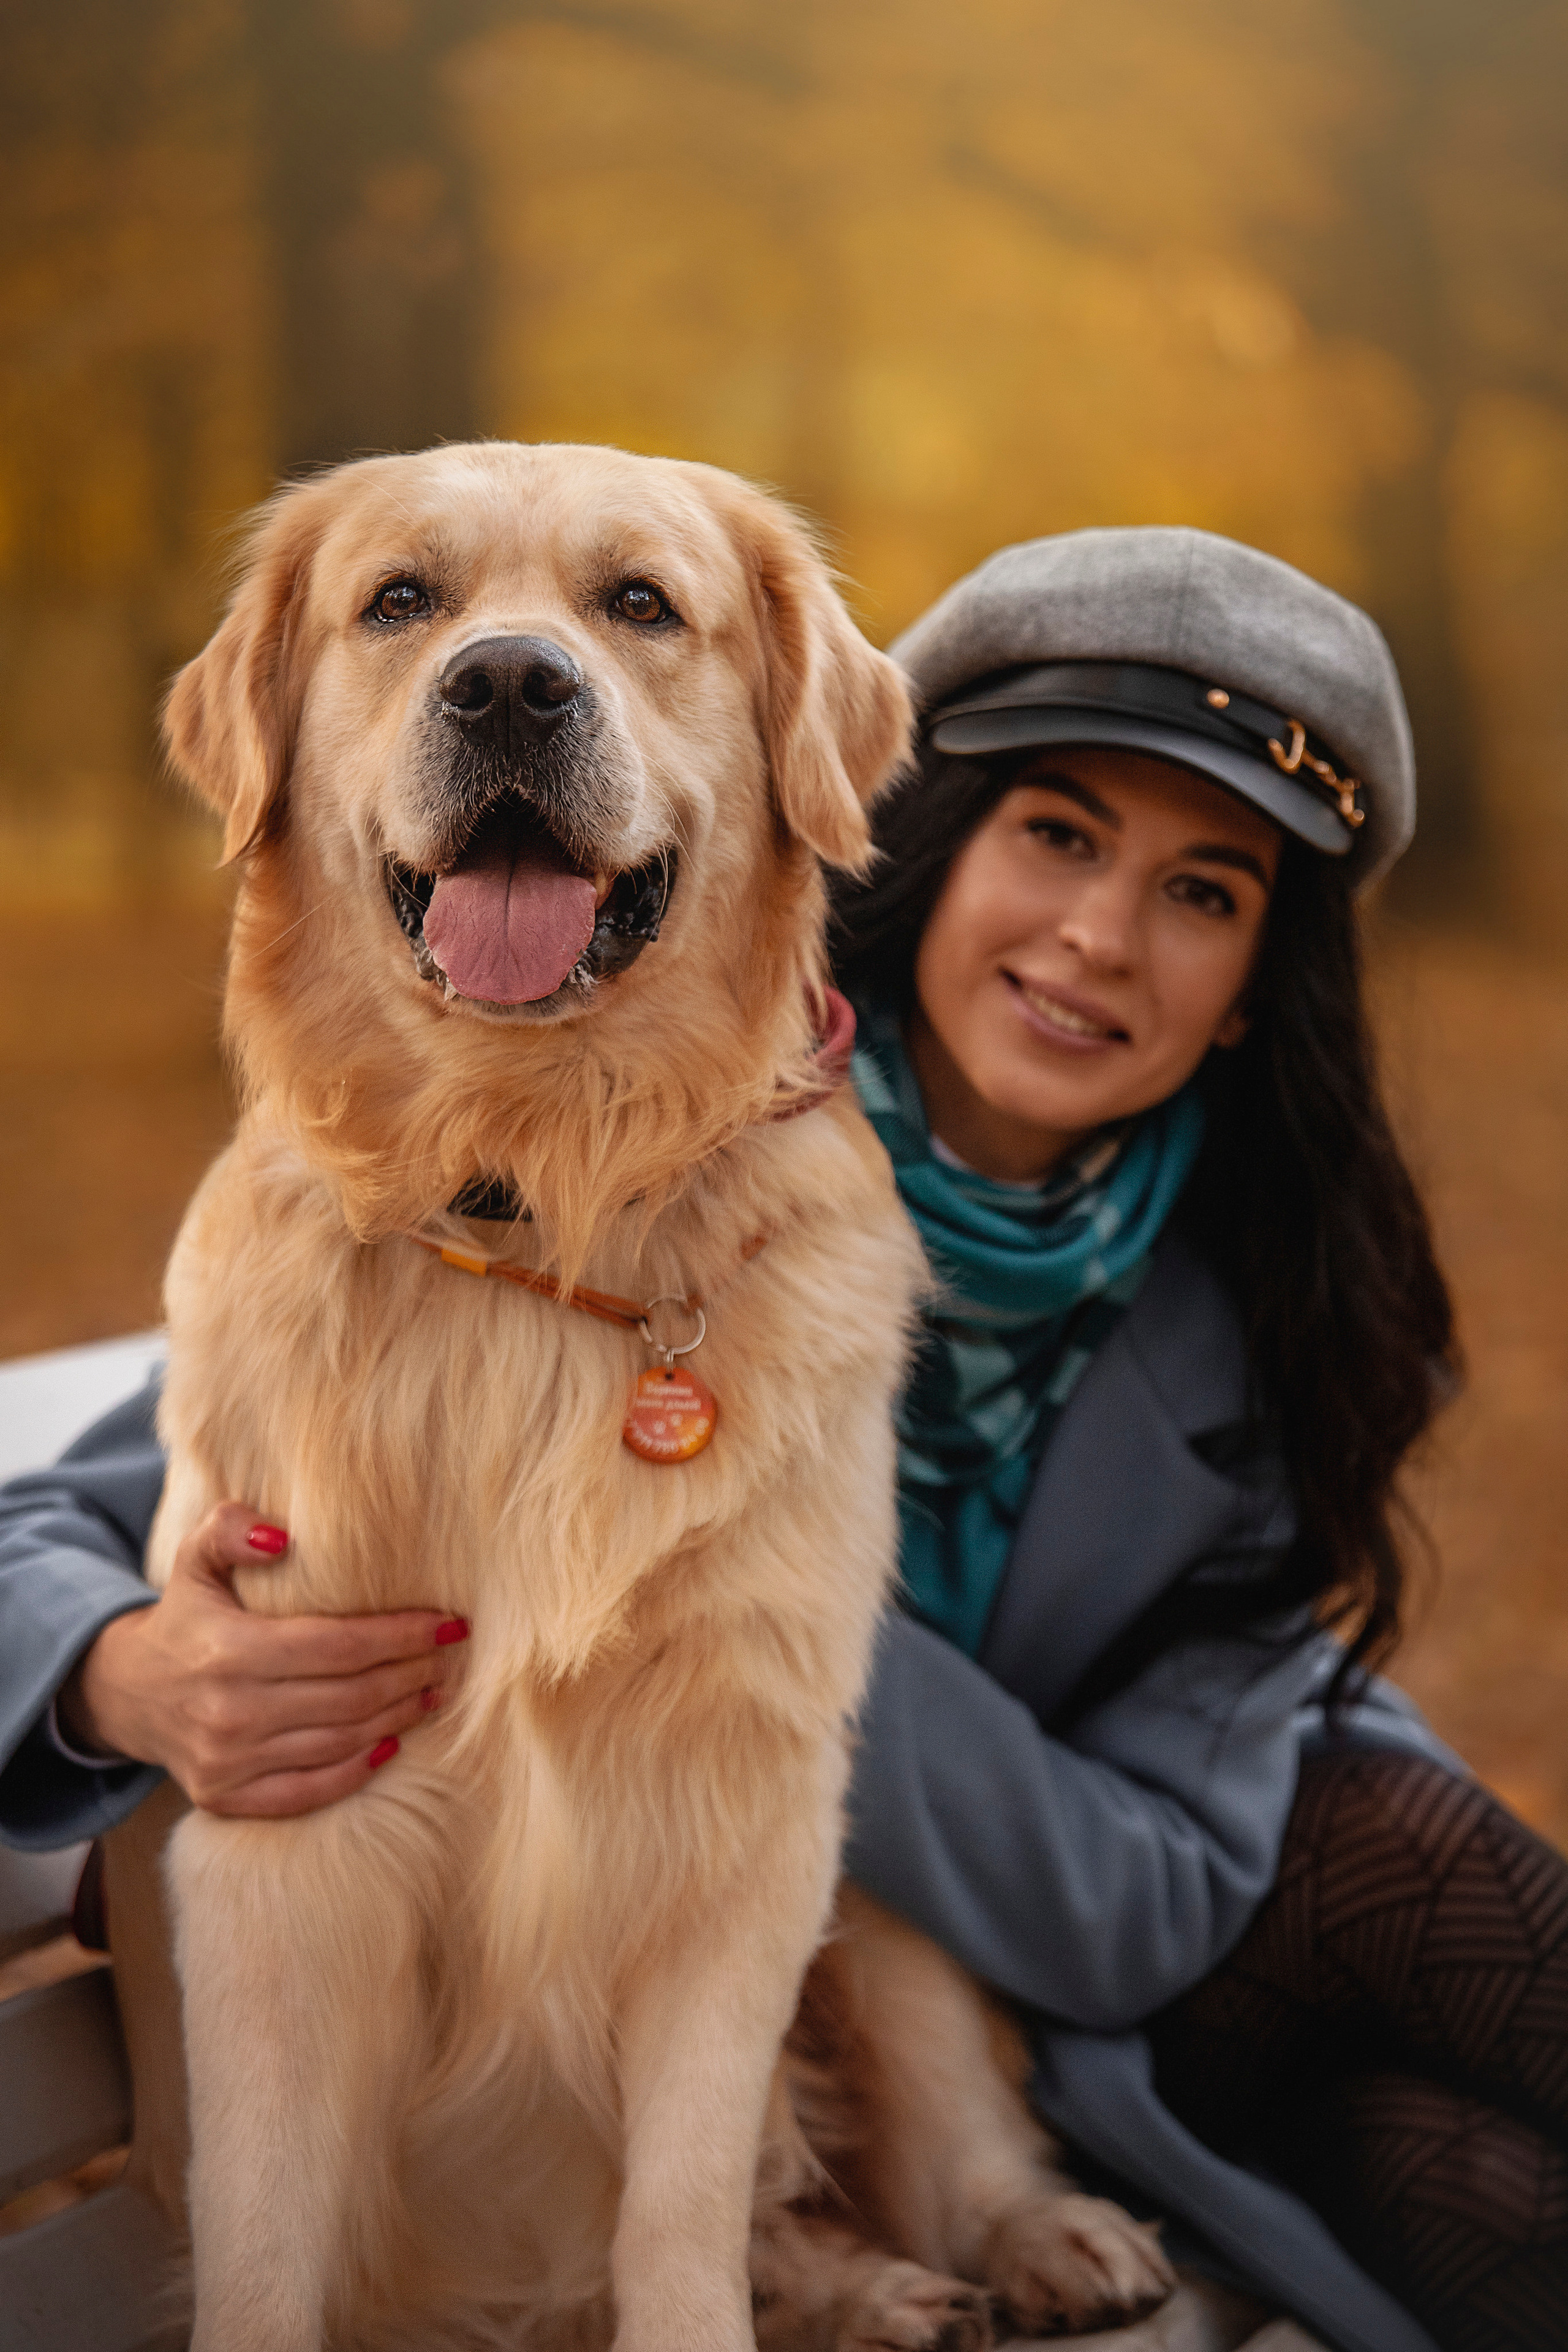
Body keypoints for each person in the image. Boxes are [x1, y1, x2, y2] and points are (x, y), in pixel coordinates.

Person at [0, 527, 1562, 2352]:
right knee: (1485, 2196)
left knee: (1462, 1947)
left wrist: (739, 1620)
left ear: (1252, 986)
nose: (1098, 939)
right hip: (814, 2023)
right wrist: (118, 1667)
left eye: (1204, 895)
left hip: (1126, 1974)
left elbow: (1149, 1908)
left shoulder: (1273, 1293)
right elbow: (86, 1508)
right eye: (1056, 835)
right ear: (929, 831)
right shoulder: (568, 1150)